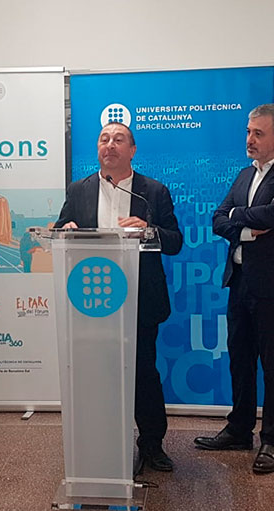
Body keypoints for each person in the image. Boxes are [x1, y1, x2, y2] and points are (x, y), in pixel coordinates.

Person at [55, 121, 183, 472]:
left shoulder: (152, 191)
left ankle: (152, 444)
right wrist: (65, 230)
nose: (109, 145)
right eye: (104, 139)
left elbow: (175, 241)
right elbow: (61, 228)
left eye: (118, 139)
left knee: (143, 373)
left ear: (132, 150)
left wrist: (149, 229)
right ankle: (101, 442)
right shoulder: (79, 189)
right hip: (93, 301)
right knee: (98, 373)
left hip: (140, 298)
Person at [194, 103, 274, 474]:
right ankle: (239, 429)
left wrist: (236, 217)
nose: (249, 139)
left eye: (258, 133)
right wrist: (245, 229)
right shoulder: (246, 174)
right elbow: (217, 219)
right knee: (240, 357)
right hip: (241, 279)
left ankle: (272, 441)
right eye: (248, 132)